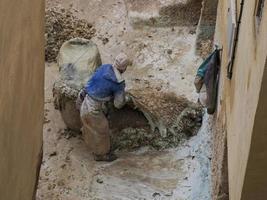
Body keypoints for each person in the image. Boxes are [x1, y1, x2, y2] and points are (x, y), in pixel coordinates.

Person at [76, 53, 130, 162]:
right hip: (93, 109)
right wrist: (127, 99)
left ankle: (88, 142)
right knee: (102, 130)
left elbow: (91, 82)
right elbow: (118, 104)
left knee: (88, 125)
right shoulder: (118, 83)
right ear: (124, 69)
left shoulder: (104, 67)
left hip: (84, 99)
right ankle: (101, 154)